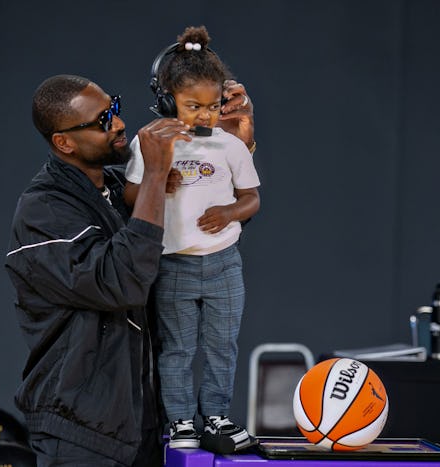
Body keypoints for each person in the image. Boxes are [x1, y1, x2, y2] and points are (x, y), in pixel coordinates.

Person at [5, 72, 255, 466]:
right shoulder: (44, 211)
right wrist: (155, 175)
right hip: (82, 435)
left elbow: (202, 232)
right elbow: (122, 282)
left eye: (114, 108)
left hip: (142, 426)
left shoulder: (120, 188)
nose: (119, 123)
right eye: (102, 120)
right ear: (64, 142)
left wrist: (230, 146)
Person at [123, 26, 260, 452]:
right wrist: (157, 178)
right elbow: (129, 194)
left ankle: (215, 414)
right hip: (174, 263)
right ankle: (181, 420)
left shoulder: (231, 145)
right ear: (167, 99)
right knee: (178, 349)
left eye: (213, 106)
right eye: (191, 106)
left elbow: (251, 197)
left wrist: (230, 212)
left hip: (223, 263)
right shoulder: (151, 140)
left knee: (223, 346)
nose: (204, 115)